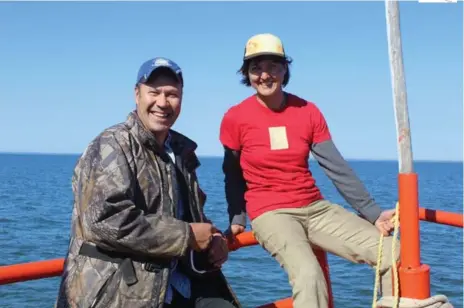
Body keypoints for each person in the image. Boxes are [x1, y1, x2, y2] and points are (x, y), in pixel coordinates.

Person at [219, 33, 400, 308]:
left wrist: (372, 213)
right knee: (309, 275)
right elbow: (232, 173)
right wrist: (237, 217)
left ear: (285, 69)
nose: (264, 75)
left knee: (391, 251)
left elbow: (336, 167)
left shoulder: (307, 111)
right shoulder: (236, 117)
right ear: (247, 74)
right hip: (271, 213)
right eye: (256, 68)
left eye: (273, 66)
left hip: (314, 207)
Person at [55, 57, 240, 308]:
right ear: (137, 94)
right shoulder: (112, 145)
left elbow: (188, 214)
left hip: (177, 281)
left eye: (172, 94)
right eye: (154, 92)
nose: (162, 103)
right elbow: (103, 221)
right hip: (120, 290)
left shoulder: (180, 151)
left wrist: (213, 238)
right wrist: (186, 235)